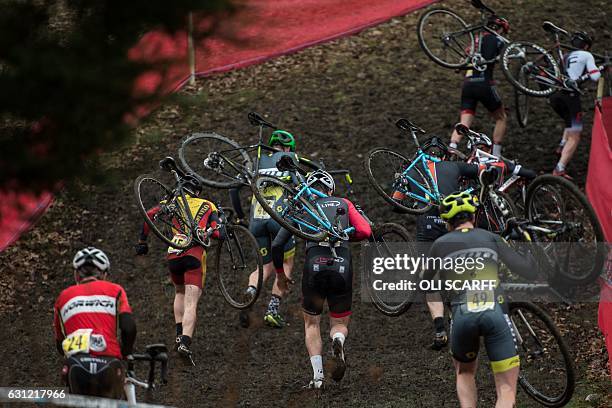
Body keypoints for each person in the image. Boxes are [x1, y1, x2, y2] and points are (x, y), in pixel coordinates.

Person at [423, 191, 538, 407]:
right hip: (494, 311)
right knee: (505, 389)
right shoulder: (490, 237)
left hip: (462, 314)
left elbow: (425, 283)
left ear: (447, 222)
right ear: (474, 217)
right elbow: (528, 271)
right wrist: (526, 241)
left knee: (464, 372)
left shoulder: (439, 244)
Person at [271, 170, 372, 389]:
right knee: (338, 322)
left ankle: (318, 378)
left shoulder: (302, 207)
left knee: (311, 323)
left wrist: (280, 274)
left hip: (314, 266)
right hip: (342, 266)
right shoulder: (343, 202)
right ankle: (338, 340)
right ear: (330, 189)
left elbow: (277, 245)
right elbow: (365, 231)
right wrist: (345, 235)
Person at [136, 173, 220, 365]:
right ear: (197, 191)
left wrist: (142, 241)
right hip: (194, 254)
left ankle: (178, 334)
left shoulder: (172, 201)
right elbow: (216, 232)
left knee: (179, 292)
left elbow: (149, 215)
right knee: (192, 301)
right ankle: (185, 343)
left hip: (173, 253)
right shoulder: (207, 205)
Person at [229, 130, 305, 329]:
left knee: (263, 267)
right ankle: (272, 310)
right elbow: (301, 187)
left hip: (257, 221)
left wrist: (240, 216)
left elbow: (233, 189)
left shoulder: (256, 161)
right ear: (289, 148)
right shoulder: (290, 159)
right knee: (286, 262)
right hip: (280, 220)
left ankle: (251, 292)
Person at [54, 247, 137, 399]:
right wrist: (126, 352)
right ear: (104, 274)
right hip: (109, 363)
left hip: (76, 364)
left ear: (76, 274)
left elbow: (60, 344)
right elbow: (128, 327)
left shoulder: (63, 297)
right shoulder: (115, 290)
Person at [449, 16, 510, 157]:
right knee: (501, 118)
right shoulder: (498, 39)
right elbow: (506, 59)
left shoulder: (475, 41)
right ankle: (496, 155)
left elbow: (459, 66)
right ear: (500, 28)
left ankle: (451, 149)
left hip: (467, 85)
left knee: (464, 122)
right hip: (484, 83)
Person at [549, 31, 602, 179]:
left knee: (569, 121)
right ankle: (559, 168)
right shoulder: (586, 55)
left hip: (555, 96)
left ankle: (562, 144)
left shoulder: (564, 56)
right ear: (586, 46)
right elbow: (595, 76)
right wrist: (599, 69)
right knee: (576, 134)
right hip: (570, 97)